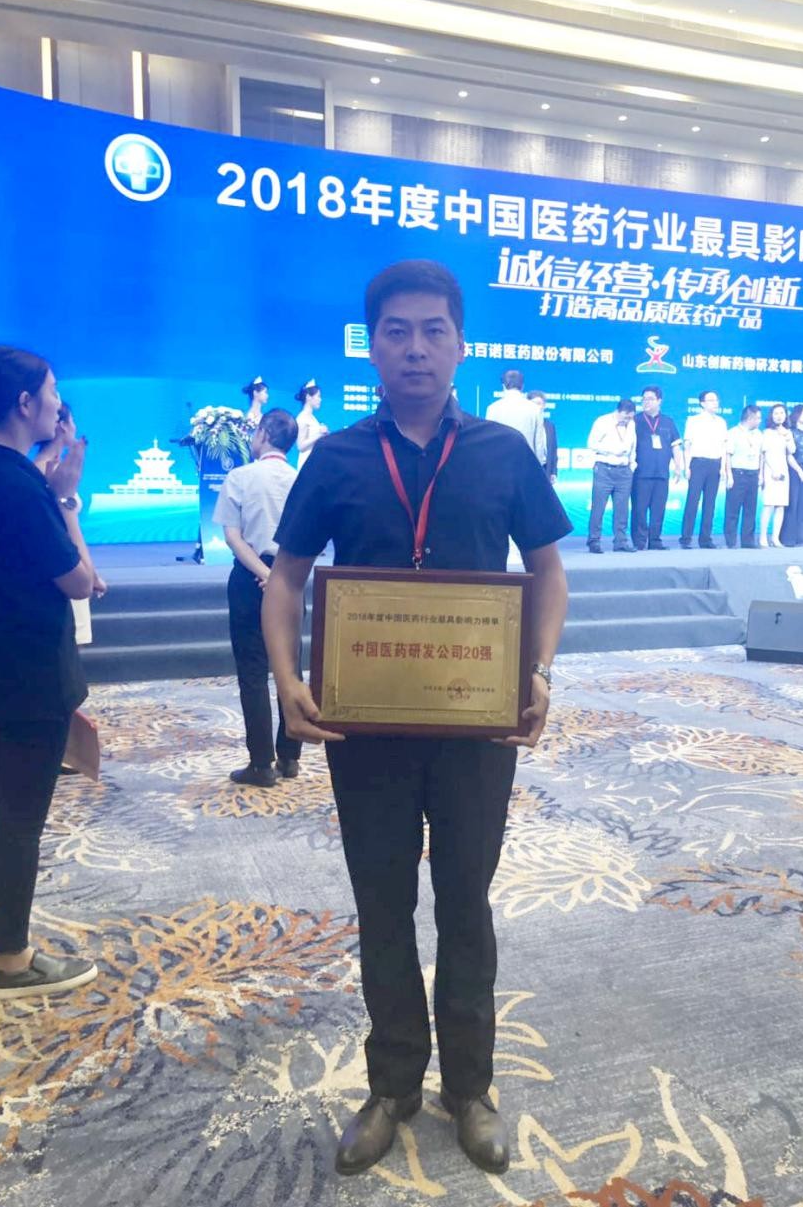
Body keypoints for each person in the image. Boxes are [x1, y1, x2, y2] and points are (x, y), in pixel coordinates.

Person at [262, 260, 570, 1177]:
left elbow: (548, 570)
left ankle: (470, 1087)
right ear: (372, 346)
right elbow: (285, 579)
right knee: (383, 903)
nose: (416, 348)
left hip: (478, 727)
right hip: (368, 730)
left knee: (466, 902)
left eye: (435, 330)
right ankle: (393, 1083)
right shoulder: (336, 457)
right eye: (396, 331)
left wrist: (540, 670)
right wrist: (286, 680)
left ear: (461, 344)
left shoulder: (504, 453)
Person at [0, 345, 98, 999]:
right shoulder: (22, 488)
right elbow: (79, 581)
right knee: (23, 813)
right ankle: (13, 960)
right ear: (24, 402)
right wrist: (67, 499)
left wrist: (51, 478)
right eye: (51, 391)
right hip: (32, 674)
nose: (57, 401)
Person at [213, 408, 303, 788]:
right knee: (289, 666)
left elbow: (233, 538)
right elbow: (309, 540)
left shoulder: (240, 476)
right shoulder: (300, 479)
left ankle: (261, 763)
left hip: (250, 577)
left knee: (253, 671)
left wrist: (264, 575)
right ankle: (290, 756)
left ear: (264, 434)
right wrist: (280, 577)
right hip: (290, 577)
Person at [35, 402, 107, 643]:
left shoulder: (46, 468)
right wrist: (90, 574)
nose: (75, 427)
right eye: (72, 421)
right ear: (63, 426)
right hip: (66, 567)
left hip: (69, 564)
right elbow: (64, 529)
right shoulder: (46, 472)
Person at [630, 385, 684, 551]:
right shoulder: (635, 421)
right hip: (641, 473)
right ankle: (639, 541)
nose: (646, 402)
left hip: (661, 473)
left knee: (658, 509)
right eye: (644, 399)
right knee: (639, 509)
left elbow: (675, 446)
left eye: (650, 399)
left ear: (659, 401)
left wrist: (678, 467)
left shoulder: (668, 421)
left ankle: (655, 540)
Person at [585, 398, 637, 553]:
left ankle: (621, 541)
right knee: (598, 507)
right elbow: (592, 443)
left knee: (622, 509)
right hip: (604, 469)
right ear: (618, 411)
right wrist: (613, 449)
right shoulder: (602, 422)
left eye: (630, 417)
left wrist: (632, 464)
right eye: (626, 416)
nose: (628, 420)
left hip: (624, 471)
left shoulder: (632, 424)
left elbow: (633, 445)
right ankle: (594, 541)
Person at [679, 390, 727, 549]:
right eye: (711, 400)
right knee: (692, 501)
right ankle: (686, 538)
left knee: (710, 503)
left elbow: (723, 446)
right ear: (702, 403)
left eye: (716, 400)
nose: (715, 403)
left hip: (715, 463)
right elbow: (687, 445)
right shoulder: (693, 421)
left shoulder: (721, 422)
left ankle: (705, 539)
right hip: (698, 463)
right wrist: (687, 466)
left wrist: (723, 467)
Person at [484, 369, 546, 464]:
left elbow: (489, 443)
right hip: (526, 464)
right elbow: (539, 445)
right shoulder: (535, 409)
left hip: (500, 464)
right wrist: (539, 465)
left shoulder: (492, 409)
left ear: (503, 386)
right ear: (522, 386)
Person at [723, 404, 763, 549]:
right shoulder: (733, 433)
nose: (759, 421)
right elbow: (728, 455)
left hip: (753, 474)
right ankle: (731, 541)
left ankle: (748, 541)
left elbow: (761, 456)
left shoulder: (759, 434)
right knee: (732, 510)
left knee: (750, 510)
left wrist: (761, 474)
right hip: (738, 473)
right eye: (758, 418)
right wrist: (729, 475)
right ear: (750, 418)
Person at [779, 404, 803, 547]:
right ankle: (788, 538)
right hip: (793, 470)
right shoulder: (790, 432)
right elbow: (789, 455)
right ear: (797, 415)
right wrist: (800, 472)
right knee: (792, 503)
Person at [759, 403, 795, 547]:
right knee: (769, 505)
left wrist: (787, 437)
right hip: (770, 470)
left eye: (781, 413)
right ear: (771, 416)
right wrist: (772, 470)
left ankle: (775, 538)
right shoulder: (767, 432)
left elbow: (792, 450)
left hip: (783, 470)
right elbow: (764, 454)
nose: (779, 416)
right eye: (776, 413)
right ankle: (763, 537)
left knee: (780, 505)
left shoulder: (788, 432)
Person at [295, 380, 328, 470]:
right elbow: (300, 446)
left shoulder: (312, 417)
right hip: (306, 463)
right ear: (308, 397)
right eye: (318, 396)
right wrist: (320, 434)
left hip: (313, 461)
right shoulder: (302, 418)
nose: (320, 399)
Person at [527, 390, 557, 484]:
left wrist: (553, 472)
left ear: (544, 406)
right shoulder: (525, 424)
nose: (536, 407)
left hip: (545, 469)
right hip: (527, 468)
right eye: (533, 404)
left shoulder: (549, 425)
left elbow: (553, 450)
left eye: (539, 404)